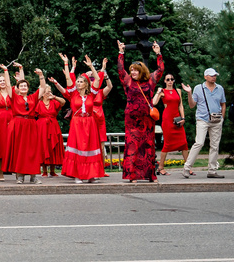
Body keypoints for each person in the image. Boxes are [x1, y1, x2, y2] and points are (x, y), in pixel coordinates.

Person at [116, 41, 164, 183]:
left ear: (141, 71)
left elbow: (160, 69)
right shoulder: (128, 81)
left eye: (135, 70)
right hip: (132, 120)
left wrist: (158, 54)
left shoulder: (150, 81)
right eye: (131, 70)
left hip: (147, 120)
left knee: (148, 146)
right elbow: (120, 70)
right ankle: (132, 175)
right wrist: (121, 53)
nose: (133, 72)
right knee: (133, 146)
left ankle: (150, 175)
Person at [61, 59, 106, 183]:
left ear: (86, 84)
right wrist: (66, 63)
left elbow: (98, 79)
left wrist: (91, 66)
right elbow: (68, 78)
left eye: (81, 81)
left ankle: (91, 175)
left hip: (90, 123)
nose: (78, 83)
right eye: (78, 81)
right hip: (77, 123)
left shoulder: (91, 94)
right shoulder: (73, 94)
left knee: (90, 148)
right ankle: (77, 175)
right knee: (78, 148)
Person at [183, 68, 226, 178]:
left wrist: (222, 118)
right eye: (211, 75)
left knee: (215, 146)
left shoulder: (220, 88)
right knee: (199, 143)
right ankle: (187, 168)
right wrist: (189, 93)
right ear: (205, 77)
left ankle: (212, 170)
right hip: (202, 119)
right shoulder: (198, 88)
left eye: (215, 75)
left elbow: (223, 104)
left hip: (216, 120)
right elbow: (192, 105)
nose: (214, 77)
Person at [152, 74, 188, 175]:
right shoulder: (162, 91)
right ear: (164, 81)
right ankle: (160, 167)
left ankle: (187, 166)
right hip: (167, 119)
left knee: (184, 143)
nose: (170, 81)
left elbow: (180, 105)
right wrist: (158, 92)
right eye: (168, 79)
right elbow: (154, 102)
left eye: (172, 79)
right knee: (167, 143)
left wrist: (183, 118)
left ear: (174, 80)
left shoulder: (178, 91)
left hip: (177, 118)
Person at [37, 81, 66, 177]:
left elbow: (63, 102)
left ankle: (52, 171)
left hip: (53, 126)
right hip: (41, 127)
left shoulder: (54, 102)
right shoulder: (38, 103)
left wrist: (54, 97)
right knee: (43, 146)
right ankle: (44, 171)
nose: (48, 93)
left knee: (54, 146)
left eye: (49, 91)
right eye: (46, 91)